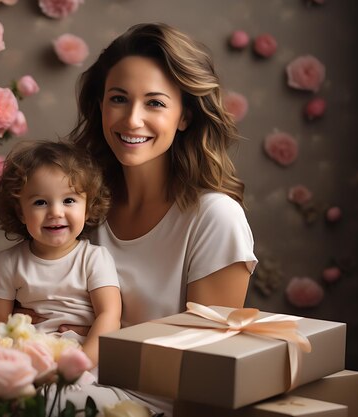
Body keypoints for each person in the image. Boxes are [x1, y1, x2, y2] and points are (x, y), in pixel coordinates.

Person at [20, 22, 258, 415]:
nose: (131, 120)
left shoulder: (215, 218)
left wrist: (101, 343)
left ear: (184, 116)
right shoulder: (82, 205)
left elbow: (206, 367)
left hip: (151, 403)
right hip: (68, 373)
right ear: (100, 106)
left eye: (155, 103)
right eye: (118, 98)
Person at [0, 140, 122, 367]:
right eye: (40, 202)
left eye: (69, 200)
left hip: (83, 358)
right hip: (26, 358)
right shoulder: (9, 262)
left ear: (87, 209)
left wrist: (81, 363)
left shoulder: (94, 258)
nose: (56, 212)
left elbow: (109, 316)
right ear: (21, 212)